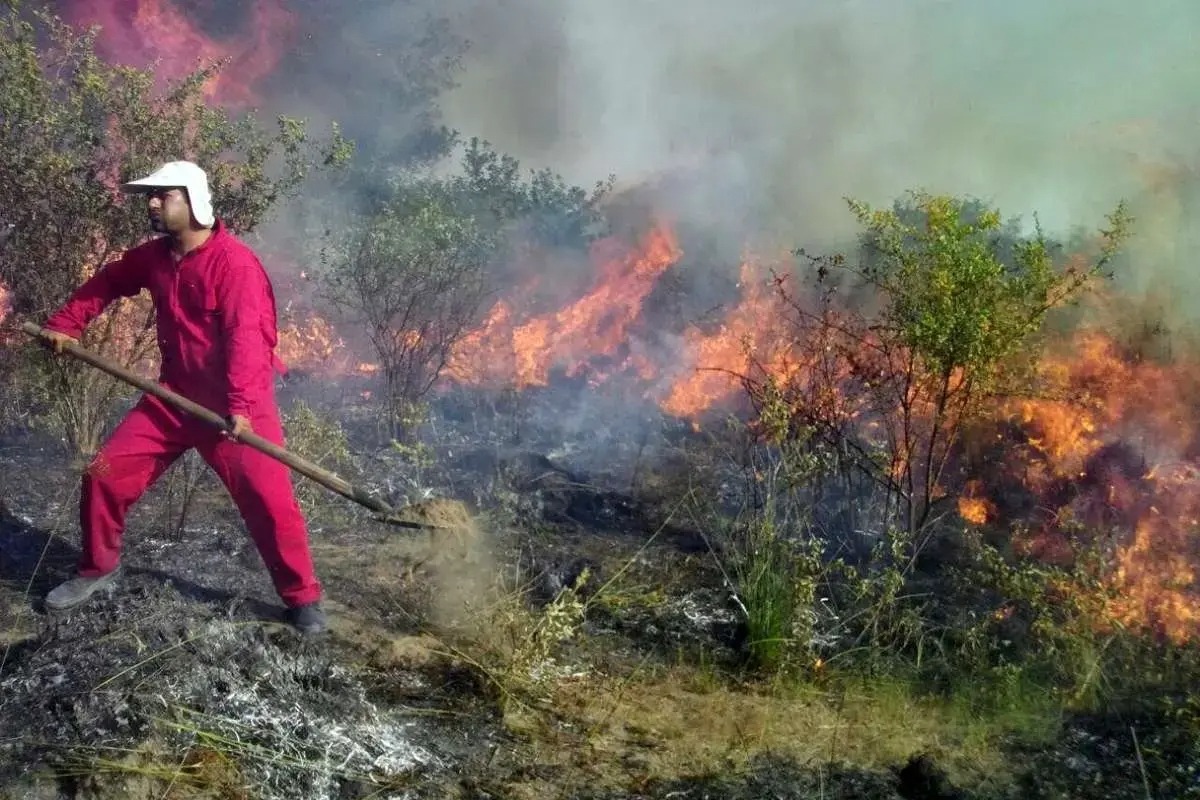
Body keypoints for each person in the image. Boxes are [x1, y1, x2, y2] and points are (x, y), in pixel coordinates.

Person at [38, 160, 326, 635]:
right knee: (104, 474)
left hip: (236, 407)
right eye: (150, 196)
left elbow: (246, 340)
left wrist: (238, 407)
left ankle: (302, 598)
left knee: (270, 502)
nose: (151, 204)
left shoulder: (235, 265)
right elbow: (109, 281)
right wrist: (66, 324)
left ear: (193, 202)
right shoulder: (155, 258)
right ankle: (97, 568)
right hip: (172, 399)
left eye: (162, 195)